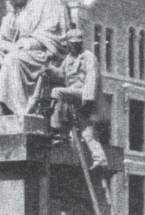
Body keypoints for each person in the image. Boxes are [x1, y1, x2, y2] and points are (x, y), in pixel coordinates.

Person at [46, 28, 109, 170]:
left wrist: (88, 100)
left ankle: (56, 130)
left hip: (83, 94)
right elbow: (62, 75)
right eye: (72, 43)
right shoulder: (68, 59)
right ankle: (100, 159)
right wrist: (49, 70)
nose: (75, 46)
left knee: (56, 92)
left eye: (77, 43)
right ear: (68, 44)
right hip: (73, 97)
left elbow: (93, 78)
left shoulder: (88, 57)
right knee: (86, 130)